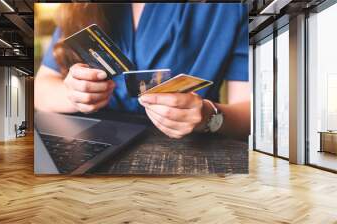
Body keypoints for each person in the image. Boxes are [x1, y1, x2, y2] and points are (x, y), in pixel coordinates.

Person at [35, 3, 250, 140]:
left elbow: (253, 112)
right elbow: (41, 88)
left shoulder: (232, 8)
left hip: (184, 154)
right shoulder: (82, 6)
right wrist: (74, 94)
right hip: (88, 145)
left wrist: (208, 116)